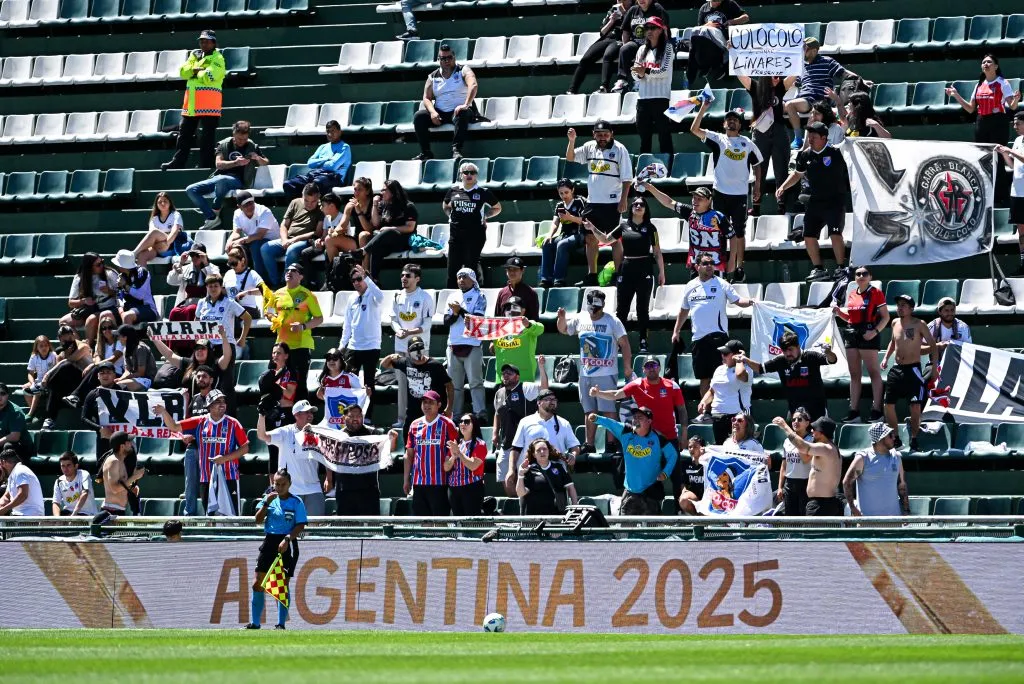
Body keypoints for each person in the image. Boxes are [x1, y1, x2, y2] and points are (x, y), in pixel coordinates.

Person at [591, 355, 687, 504]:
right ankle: (652, 512)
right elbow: (616, 395)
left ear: (659, 367)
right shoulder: (637, 384)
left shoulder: (671, 386)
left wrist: (684, 434)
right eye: (647, 366)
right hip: (645, 438)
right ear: (643, 369)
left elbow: (682, 410)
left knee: (676, 476)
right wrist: (598, 393)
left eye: (654, 365)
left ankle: (679, 512)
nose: (651, 369)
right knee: (649, 476)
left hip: (668, 437)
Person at [690, 101, 762, 283]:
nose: (732, 122)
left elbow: (757, 165)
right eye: (728, 119)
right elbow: (694, 129)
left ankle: (738, 268)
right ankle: (719, 267)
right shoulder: (717, 139)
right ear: (723, 124)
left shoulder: (748, 144)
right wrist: (703, 109)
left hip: (739, 195)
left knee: (739, 232)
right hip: (720, 192)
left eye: (735, 120)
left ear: (740, 125)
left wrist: (758, 186)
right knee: (719, 232)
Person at [558, 289, 633, 452]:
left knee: (608, 409)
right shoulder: (580, 318)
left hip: (606, 372)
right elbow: (564, 330)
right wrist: (561, 318)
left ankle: (611, 443)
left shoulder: (612, 321)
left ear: (603, 305)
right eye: (592, 307)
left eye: (597, 308)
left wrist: (627, 366)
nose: (594, 311)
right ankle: (589, 444)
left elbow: (625, 343)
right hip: (586, 373)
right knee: (589, 410)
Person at [775, 121, 851, 281]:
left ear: (824, 138)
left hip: (835, 201)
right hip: (815, 202)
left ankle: (841, 268)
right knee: (808, 235)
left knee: (835, 233)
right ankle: (819, 269)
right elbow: (797, 174)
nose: (810, 139)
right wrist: (783, 186)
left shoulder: (837, 152)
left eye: (814, 136)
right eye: (809, 135)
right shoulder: (805, 155)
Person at [589, 196, 665, 352]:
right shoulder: (623, 226)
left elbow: (657, 252)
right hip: (627, 268)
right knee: (622, 309)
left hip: (644, 269)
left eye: (641, 204)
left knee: (642, 309)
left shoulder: (651, 228)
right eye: (635, 204)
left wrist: (662, 272)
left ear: (646, 209)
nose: (638, 206)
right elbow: (606, 239)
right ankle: (618, 341)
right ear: (631, 208)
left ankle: (643, 340)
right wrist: (592, 228)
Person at [155, 390, 248, 514]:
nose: (222, 404)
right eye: (217, 402)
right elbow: (174, 427)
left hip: (229, 476)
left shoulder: (233, 423)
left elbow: (245, 447)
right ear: (209, 405)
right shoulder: (199, 421)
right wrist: (163, 412)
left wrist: (224, 459)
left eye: (223, 401)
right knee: (210, 516)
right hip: (206, 478)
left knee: (232, 516)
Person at [671, 255, 752, 394]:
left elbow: (738, 300)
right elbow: (684, 310)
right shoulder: (690, 286)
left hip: (718, 338)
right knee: (704, 379)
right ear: (697, 267)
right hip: (698, 339)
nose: (710, 266)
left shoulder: (722, 284)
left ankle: (720, 410)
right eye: (705, 263)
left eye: (712, 263)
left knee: (722, 376)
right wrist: (676, 330)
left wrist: (752, 301)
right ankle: (706, 413)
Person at [566, 122, 633, 284]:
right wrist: (572, 140)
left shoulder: (619, 149)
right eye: (599, 134)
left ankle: (619, 275)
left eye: (605, 134)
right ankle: (592, 275)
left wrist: (623, 199)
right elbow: (570, 157)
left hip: (612, 203)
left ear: (612, 134)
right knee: (590, 239)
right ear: (593, 134)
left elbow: (627, 178)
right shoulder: (590, 147)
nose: (602, 137)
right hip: (593, 202)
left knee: (614, 240)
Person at [948, 54, 1019, 201]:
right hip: (982, 122)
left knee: (997, 158)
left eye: (989, 62)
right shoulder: (979, 85)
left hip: (998, 122)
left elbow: (1012, 106)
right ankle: (985, 194)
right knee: (982, 158)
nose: (986, 64)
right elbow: (970, 109)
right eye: (984, 62)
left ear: (996, 66)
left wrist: (1016, 100)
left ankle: (1000, 197)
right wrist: (956, 95)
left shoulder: (1002, 83)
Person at [246, 469, 307, 630]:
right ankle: (255, 623)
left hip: (287, 542)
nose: (279, 487)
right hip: (269, 542)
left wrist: (287, 538)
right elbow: (257, 520)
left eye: (283, 484)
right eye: (277, 484)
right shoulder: (268, 499)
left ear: (289, 485)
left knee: (281, 585)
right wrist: (266, 503)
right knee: (257, 582)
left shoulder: (296, 502)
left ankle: (280, 624)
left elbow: (300, 524)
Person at [785, 37, 869, 149]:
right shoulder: (802, 66)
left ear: (814, 50)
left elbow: (844, 73)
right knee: (776, 106)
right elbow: (793, 84)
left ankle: (798, 139)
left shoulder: (827, 61)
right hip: (803, 98)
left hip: (816, 99)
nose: (803, 51)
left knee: (789, 105)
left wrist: (861, 80)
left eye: (805, 48)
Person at [591, 406, 677, 514]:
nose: (635, 420)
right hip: (630, 491)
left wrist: (665, 473)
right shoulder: (625, 432)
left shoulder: (658, 438)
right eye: (634, 417)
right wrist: (597, 418)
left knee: (653, 529)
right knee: (625, 528)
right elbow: (611, 423)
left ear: (649, 421)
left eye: (639, 417)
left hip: (650, 491)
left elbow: (673, 455)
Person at [185, 120, 269, 230]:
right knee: (191, 190)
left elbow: (266, 162)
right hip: (218, 179)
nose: (242, 142)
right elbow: (218, 164)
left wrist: (257, 158)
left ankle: (216, 207)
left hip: (238, 181)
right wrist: (236, 163)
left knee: (222, 179)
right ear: (233, 134)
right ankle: (212, 217)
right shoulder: (223, 144)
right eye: (239, 139)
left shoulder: (252, 145)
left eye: (245, 139)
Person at [161, 30, 225, 171]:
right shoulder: (194, 54)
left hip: (209, 105)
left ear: (214, 43)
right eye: (202, 41)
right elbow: (183, 72)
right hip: (191, 104)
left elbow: (211, 76)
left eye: (207, 41)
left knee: (207, 138)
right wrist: (199, 70)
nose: (203, 43)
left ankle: (206, 164)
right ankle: (177, 162)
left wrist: (195, 71)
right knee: (184, 136)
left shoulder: (218, 58)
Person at [881, 295, 938, 451]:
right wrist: (886, 358)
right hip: (897, 368)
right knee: (888, 404)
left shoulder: (919, 324)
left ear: (911, 308)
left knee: (914, 406)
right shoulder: (894, 323)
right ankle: (897, 439)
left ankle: (914, 439)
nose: (900, 308)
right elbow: (893, 342)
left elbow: (933, 346)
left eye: (904, 305)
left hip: (913, 369)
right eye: (899, 305)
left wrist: (934, 366)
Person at [833, 265, 889, 423]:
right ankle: (854, 411)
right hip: (852, 334)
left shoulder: (875, 293)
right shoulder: (851, 294)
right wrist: (838, 312)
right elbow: (850, 318)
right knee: (854, 375)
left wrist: (875, 332)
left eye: (865, 273)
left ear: (870, 276)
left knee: (873, 373)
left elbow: (885, 317)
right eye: (858, 274)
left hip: (869, 333)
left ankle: (877, 410)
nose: (861, 276)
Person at [324, 403, 399, 516]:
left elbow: (389, 449)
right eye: (352, 416)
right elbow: (329, 458)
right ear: (344, 418)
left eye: (359, 416)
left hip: (368, 489)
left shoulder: (373, 433)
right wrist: (329, 479)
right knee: (345, 527)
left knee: (372, 528)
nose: (355, 419)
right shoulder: (337, 436)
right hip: (344, 490)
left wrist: (393, 439)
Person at [736, 74, 796, 215]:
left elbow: (794, 73)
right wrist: (733, 54)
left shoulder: (781, 87)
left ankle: (781, 205)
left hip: (779, 131)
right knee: (759, 170)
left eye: (778, 76)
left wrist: (799, 53)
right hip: (760, 132)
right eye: (774, 76)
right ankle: (756, 206)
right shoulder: (756, 87)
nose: (777, 78)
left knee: (781, 168)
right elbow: (740, 74)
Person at [257, 400, 328, 516]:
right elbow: (262, 436)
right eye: (307, 412)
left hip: (314, 488)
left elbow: (327, 457)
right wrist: (262, 415)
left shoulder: (318, 433)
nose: (310, 415)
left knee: (314, 527)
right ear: (296, 415)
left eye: (311, 412)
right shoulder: (285, 432)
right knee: (290, 528)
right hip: (290, 490)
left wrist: (328, 479)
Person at [746, 331, 837, 421]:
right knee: (791, 434)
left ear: (798, 347)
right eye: (785, 350)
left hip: (817, 411)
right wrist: (745, 359)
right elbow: (760, 368)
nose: (788, 353)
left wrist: (828, 352)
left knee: (819, 435)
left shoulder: (810, 357)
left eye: (790, 349)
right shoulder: (780, 361)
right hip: (795, 412)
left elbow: (832, 360)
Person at [645, 184, 729, 277]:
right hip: (696, 265)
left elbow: (733, 237)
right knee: (696, 290)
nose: (695, 201)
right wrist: (650, 188)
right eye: (694, 198)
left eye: (699, 199)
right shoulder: (690, 212)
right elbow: (669, 202)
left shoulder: (718, 216)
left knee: (717, 291)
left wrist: (733, 260)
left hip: (716, 266)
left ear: (709, 201)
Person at [506, 389, 581, 494]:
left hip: (556, 474)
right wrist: (511, 469)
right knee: (530, 506)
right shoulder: (525, 422)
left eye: (554, 399)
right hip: (530, 474)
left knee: (558, 507)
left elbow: (575, 446)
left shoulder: (564, 423)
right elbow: (516, 448)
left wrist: (573, 455)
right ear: (538, 402)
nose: (552, 401)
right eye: (548, 399)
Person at [413, 42, 479, 160]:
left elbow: (473, 85)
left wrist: (466, 104)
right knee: (419, 116)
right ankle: (426, 152)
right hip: (441, 112)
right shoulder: (432, 76)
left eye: (449, 57)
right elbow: (426, 98)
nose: (446, 60)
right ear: (439, 59)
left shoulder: (463, 69)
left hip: (460, 110)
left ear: (454, 57)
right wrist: (433, 112)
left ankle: (456, 150)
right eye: (443, 58)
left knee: (462, 113)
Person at [443, 161, 502, 287]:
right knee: (453, 268)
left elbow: (497, 208)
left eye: (472, 172)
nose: (469, 175)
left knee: (471, 267)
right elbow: (445, 205)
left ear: (476, 175)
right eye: (466, 172)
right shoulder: (453, 190)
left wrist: (485, 216)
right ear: (461, 175)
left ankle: (474, 294)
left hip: (475, 235)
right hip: (455, 235)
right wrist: (450, 216)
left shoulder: (483, 192)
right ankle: (451, 296)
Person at [390, 264, 435, 428]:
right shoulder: (397, 296)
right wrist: (399, 330)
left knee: (420, 384)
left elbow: (428, 323)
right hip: (401, 346)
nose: (404, 278)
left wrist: (410, 332)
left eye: (408, 276)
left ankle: (424, 419)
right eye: (402, 275)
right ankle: (402, 420)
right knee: (402, 384)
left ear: (417, 278)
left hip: (419, 347)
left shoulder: (425, 297)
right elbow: (394, 319)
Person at [266, 263, 324, 388]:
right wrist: (274, 318)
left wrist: (302, 326)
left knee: (299, 384)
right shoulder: (277, 294)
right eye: (287, 270)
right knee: (275, 383)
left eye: (294, 270)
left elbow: (319, 319)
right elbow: (269, 312)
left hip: (301, 345)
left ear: (301, 276)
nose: (289, 272)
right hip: (281, 345)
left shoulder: (308, 295)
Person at [493, 363, 548, 495]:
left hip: (525, 444)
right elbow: (497, 413)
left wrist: (541, 367)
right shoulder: (499, 393)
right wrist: (495, 432)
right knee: (505, 476)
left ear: (517, 377)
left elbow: (544, 388)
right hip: (506, 443)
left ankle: (526, 504)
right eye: (504, 373)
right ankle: (514, 504)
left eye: (509, 373)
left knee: (525, 477)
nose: (505, 375)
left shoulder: (525, 387)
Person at [772, 415, 842, 516]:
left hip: (821, 505)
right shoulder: (831, 448)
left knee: (812, 532)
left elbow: (803, 447)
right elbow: (804, 456)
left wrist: (785, 426)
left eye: (815, 429)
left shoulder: (825, 448)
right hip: (824, 503)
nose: (812, 431)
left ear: (822, 432)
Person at [382, 336, 454, 432]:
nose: (418, 351)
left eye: (420, 347)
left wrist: (449, 407)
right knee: (409, 442)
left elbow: (449, 385)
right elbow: (384, 364)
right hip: (413, 412)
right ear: (408, 351)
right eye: (414, 348)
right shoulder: (406, 362)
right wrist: (391, 356)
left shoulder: (435, 365)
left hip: (433, 411)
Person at [404, 391, 459, 515]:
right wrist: (406, 479)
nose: (427, 405)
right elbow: (409, 454)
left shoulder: (448, 424)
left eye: (431, 402)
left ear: (439, 405)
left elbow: (455, 452)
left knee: (440, 522)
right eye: (424, 402)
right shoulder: (414, 425)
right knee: (423, 522)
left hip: (440, 482)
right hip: (419, 482)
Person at [260, 183, 324, 288]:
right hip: (288, 239)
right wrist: (285, 239)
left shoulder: (321, 209)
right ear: (302, 196)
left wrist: (294, 240)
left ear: (318, 198)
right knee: (265, 248)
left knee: (292, 250)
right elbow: (284, 225)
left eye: (313, 201)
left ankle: (284, 283)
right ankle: (274, 283)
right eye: (306, 200)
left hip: (305, 240)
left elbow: (317, 232)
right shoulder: (295, 202)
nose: (309, 204)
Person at [444, 268, 487, 419]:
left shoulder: (479, 296)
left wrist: (460, 310)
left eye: (465, 277)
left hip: (472, 343)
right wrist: (455, 313)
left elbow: (477, 320)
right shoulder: (452, 296)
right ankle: (455, 415)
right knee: (455, 385)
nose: (461, 280)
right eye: (459, 277)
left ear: (473, 279)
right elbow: (446, 321)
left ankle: (480, 413)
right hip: (453, 344)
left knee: (475, 382)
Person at [356, 179, 419, 280]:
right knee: (377, 248)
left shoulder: (408, 206)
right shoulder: (383, 205)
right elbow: (375, 223)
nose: (381, 192)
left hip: (404, 241)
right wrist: (375, 204)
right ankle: (374, 280)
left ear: (393, 192)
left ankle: (364, 250)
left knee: (389, 232)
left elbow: (410, 228)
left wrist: (390, 228)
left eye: (384, 190)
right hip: (388, 242)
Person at [843, 422, 909, 517]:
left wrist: (906, 510)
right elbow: (847, 482)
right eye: (890, 435)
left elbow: (901, 485)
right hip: (867, 522)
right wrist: (853, 508)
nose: (894, 438)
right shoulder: (863, 458)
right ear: (880, 439)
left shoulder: (897, 457)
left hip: (894, 520)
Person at [567, 0, 632, 95]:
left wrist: (625, 14)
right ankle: (572, 90)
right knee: (586, 59)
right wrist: (611, 21)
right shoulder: (613, 9)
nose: (620, 1)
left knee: (608, 55)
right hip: (606, 38)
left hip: (620, 39)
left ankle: (604, 87)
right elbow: (602, 32)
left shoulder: (634, 10)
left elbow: (633, 29)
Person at [340, 265, 384, 402]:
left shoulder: (373, 294)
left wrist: (367, 278)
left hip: (371, 347)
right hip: (354, 347)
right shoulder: (351, 298)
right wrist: (342, 346)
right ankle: (349, 414)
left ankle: (368, 416)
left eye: (359, 279)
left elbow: (381, 297)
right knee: (349, 382)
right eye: (353, 280)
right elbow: (347, 324)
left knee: (369, 383)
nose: (356, 283)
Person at [631, 17, 674, 156]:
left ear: (661, 30)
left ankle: (669, 169)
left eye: (653, 28)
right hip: (643, 99)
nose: (649, 31)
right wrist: (640, 74)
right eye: (647, 28)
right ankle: (643, 171)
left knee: (664, 137)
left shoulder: (668, 47)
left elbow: (664, 71)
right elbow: (634, 73)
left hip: (661, 99)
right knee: (644, 139)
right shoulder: (641, 49)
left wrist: (646, 72)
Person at [697, 339, 753, 443]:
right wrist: (703, 401)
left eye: (726, 353)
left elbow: (740, 375)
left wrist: (740, 360)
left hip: (738, 416)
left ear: (738, 354)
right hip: (718, 416)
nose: (722, 356)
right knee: (721, 448)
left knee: (739, 448)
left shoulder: (747, 369)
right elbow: (712, 391)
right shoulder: (719, 369)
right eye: (722, 353)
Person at [39, 326, 93, 431]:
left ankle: (43, 388)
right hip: (70, 387)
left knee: (66, 365)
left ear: (73, 336)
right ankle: (50, 419)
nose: (68, 341)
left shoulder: (83, 346)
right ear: (60, 340)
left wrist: (47, 375)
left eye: (70, 338)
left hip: (85, 385)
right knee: (56, 384)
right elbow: (59, 368)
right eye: (64, 340)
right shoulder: (61, 354)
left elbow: (70, 361)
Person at [60, 252, 119, 348]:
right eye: (98, 264)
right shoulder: (80, 278)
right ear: (89, 267)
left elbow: (122, 294)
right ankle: (78, 347)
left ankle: (88, 347)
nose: (102, 266)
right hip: (90, 309)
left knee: (91, 319)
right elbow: (70, 303)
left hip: (109, 308)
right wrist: (84, 301)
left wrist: (109, 291)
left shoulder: (110, 274)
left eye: (102, 262)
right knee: (63, 321)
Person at [539, 179, 589, 287]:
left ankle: (559, 279)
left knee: (562, 244)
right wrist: (549, 235)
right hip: (564, 235)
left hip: (579, 235)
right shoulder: (559, 205)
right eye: (561, 193)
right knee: (547, 243)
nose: (564, 195)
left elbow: (585, 221)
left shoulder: (580, 201)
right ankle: (546, 279)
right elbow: (555, 223)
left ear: (572, 190)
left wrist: (569, 217)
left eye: (566, 192)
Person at [284, 120, 352, 199]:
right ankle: (300, 207)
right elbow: (310, 163)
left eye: (333, 131)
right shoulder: (322, 147)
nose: (330, 134)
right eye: (328, 131)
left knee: (316, 183)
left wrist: (318, 163)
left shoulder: (345, 147)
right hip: (316, 175)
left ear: (340, 132)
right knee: (289, 184)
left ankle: (315, 209)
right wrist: (326, 158)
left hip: (335, 178)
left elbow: (332, 166)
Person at [613, 0, 670, 93]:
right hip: (636, 43)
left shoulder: (658, 9)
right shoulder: (633, 10)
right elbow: (625, 30)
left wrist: (660, 45)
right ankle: (622, 80)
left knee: (646, 52)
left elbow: (664, 29)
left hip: (653, 43)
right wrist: (626, 43)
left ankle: (640, 82)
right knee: (625, 49)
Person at [688, 0, 748, 85]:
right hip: (708, 43)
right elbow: (699, 29)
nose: (717, 2)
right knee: (696, 33)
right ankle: (698, 69)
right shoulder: (704, 8)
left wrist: (731, 21)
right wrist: (707, 25)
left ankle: (716, 66)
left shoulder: (730, 4)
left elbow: (745, 17)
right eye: (715, 1)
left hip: (726, 40)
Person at [515, 438, 579, 515]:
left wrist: (575, 509)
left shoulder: (559, 467)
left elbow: (571, 488)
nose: (542, 452)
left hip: (556, 517)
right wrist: (520, 474)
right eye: (538, 450)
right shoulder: (528, 470)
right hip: (533, 519)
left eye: (545, 449)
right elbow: (520, 493)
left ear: (549, 451)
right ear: (534, 454)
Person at [299, 192, 350, 288]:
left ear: (331, 206)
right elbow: (324, 236)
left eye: (323, 205)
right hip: (327, 243)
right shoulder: (327, 218)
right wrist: (319, 241)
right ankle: (311, 282)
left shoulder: (343, 218)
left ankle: (329, 280)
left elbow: (344, 235)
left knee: (327, 251)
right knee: (305, 253)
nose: (321, 208)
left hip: (340, 246)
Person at [225, 191, 278, 283]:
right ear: (239, 207)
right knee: (236, 249)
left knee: (255, 245)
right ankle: (241, 281)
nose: (250, 206)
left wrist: (241, 240)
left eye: (251, 203)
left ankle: (261, 282)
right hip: (251, 240)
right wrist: (229, 242)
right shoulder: (237, 213)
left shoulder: (264, 211)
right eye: (246, 205)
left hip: (271, 241)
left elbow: (260, 235)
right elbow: (236, 233)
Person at [222, 247, 265, 356]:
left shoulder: (252, 274)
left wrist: (246, 292)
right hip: (233, 307)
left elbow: (264, 290)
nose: (232, 266)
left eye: (234, 263)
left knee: (233, 313)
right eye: (229, 263)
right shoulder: (228, 274)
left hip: (250, 308)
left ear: (242, 261)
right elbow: (223, 290)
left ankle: (239, 343)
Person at [491, 298, 545, 383]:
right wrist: (470, 324)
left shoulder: (528, 325)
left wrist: (529, 325)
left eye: (515, 307)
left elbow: (540, 329)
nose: (511, 311)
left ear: (523, 311)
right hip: (502, 377)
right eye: (508, 308)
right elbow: (479, 329)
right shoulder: (497, 327)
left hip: (524, 377)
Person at [996, 112, 1024, 273]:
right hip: (1017, 192)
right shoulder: (1019, 141)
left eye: (1018, 124)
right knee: (1021, 229)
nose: (1015, 127)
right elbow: (1013, 166)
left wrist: (1010, 151)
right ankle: (1023, 262)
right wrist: (1005, 154)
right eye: (1014, 124)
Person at [168, 244, 220, 326]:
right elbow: (171, 281)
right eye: (192, 255)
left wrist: (206, 264)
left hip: (205, 304)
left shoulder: (213, 268)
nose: (194, 258)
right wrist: (180, 264)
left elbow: (216, 280)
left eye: (197, 255)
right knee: (174, 312)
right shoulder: (185, 268)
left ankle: (192, 338)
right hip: (187, 303)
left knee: (192, 309)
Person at [445, 412, 487, 515]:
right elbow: (446, 467)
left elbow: (473, 466)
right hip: (454, 489)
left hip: (471, 488)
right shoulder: (456, 443)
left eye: (467, 422)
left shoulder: (480, 444)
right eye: (461, 422)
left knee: (471, 523)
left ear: (474, 425)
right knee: (457, 522)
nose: (463, 424)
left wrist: (458, 453)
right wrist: (453, 456)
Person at [134, 192, 191, 266]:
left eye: (165, 201)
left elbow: (174, 232)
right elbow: (151, 235)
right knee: (142, 256)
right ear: (156, 205)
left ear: (170, 203)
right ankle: (142, 277)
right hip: (158, 246)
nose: (162, 203)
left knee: (155, 232)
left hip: (172, 244)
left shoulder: (175, 215)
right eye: (160, 202)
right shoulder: (154, 219)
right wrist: (159, 245)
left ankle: (134, 253)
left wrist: (166, 243)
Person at [98, 432, 144, 519]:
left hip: (118, 510)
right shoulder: (113, 461)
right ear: (122, 446)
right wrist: (135, 477)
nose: (131, 444)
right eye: (128, 442)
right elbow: (115, 489)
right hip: (110, 512)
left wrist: (131, 488)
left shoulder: (121, 461)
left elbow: (122, 485)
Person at [775, 409, 812, 516]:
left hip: (805, 483)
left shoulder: (811, 440)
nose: (795, 422)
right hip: (789, 484)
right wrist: (780, 487)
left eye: (799, 419)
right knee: (790, 516)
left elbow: (806, 459)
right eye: (793, 419)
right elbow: (784, 465)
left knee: (804, 516)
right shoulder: (787, 441)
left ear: (807, 423)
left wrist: (796, 439)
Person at [112, 250, 159, 325]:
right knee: (106, 315)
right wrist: (120, 309)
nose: (116, 266)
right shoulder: (122, 276)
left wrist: (125, 285)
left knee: (127, 316)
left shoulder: (142, 272)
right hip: (128, 307)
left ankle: (127, 337)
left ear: (122, 266)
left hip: (147, 308)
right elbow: (119, 297)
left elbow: (140, 296)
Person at [495, 256, 540, 323]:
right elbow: (497, 318)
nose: (512, 272)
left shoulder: (531, 293)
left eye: (515, 269)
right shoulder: (502, 292)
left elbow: (535, 321)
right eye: (509, 269)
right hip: (505, 332)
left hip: (523, 332)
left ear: (522, 270)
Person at [113, 324, 158, 392]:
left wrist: (122, 380)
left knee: (119, 385)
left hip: (148, 380)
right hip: (135, 378)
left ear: (125, 337)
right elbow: (127, 371)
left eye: (119, 336)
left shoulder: (140, 348)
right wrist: (121, 378)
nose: (118, 339)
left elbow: (141, 373)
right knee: (114, 384)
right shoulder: (125, 349)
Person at [51, 452, 97, 516]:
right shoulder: (59, 481)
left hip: (86, 514)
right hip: (68, 513)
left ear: (76, 466)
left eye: (68, 465)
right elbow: (56, 503)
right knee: (44, 523)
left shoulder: (84, 474)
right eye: (63, 466)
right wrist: (57, 519)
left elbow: (84, 493)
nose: (65, 469)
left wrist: (73, 515)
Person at [0, 448, 44, 516]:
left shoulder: (20, 471)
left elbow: (23, 495)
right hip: (20, 516)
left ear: (3, 462)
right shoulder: (14, 473)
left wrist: (4, 509)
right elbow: (6, 496)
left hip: (30, 517)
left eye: (1, 464)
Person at [22, 335, 56, 422]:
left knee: (36, 391)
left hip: (50, 382)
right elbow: (30, 373)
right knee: (25, 388)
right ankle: (36, 412)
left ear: (49, 346)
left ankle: (31, 414)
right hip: (39, 381)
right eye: (41, 346)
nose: (44, 348)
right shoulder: (34, 357)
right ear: (37, 347)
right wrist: (32, 383)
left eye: (46, 345)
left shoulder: (53, 356)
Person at [0, 383, 31, 461]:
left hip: (21, 447)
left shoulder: (15, 412)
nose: (0, 397)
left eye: (2, 394)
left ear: (7, 395)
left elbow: (15, 436)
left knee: (8, 446)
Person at [677, 435, 706, 515]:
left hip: (708, 497)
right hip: (694, 497)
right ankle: (697, 518)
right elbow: (683, 483)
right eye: (690, 447)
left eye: (695, 447)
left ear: (702, 448)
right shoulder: (685, 464)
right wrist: (684, 492)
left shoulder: (708, 464)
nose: (692, 449)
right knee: (684, 499)